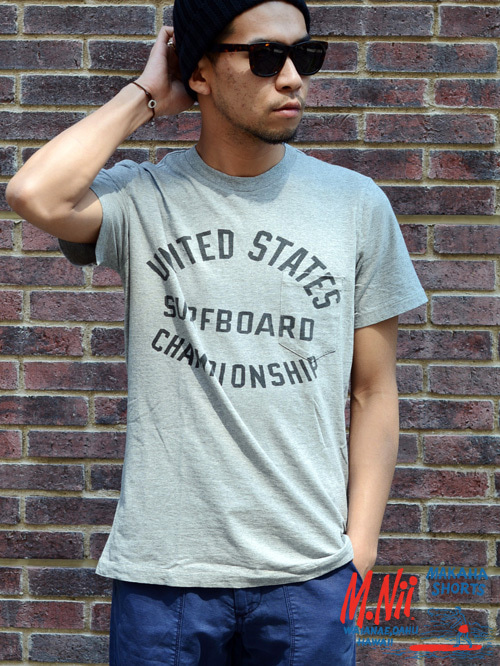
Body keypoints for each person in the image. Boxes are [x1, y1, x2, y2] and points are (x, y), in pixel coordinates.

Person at [6, 0, 427, 663]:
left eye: (304, 55)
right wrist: (147, 94)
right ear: (199, 71)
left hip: (310, 575)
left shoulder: (354, 205)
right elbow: (35, 194)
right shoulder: (142, 198)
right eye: (265, 57)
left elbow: (374, 390)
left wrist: (361, 551)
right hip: (164, 575)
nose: (292, 77)